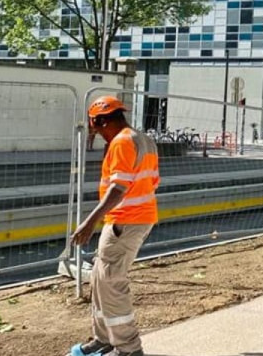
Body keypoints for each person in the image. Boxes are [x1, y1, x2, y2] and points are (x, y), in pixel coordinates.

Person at [68, 96, 160, 356]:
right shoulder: (144, 139)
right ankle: (103, 338)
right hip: (134, 218)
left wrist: (89, 221)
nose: (95, 132)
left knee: (111, 283)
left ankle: (129, 349)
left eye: (94, 126)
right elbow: (152, 181)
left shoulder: (121, 142)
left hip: (125, 221)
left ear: (100, 120)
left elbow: (118, 189)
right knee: (101, 279)